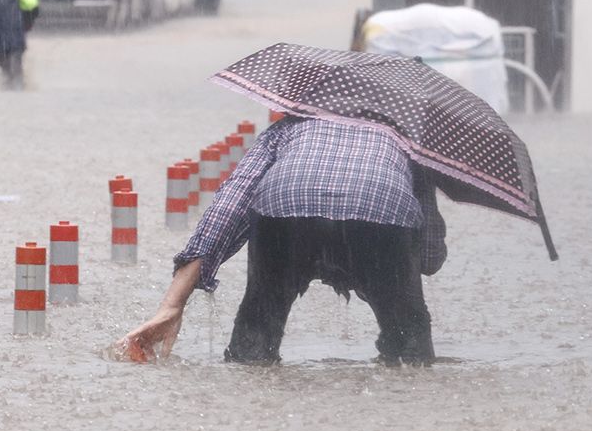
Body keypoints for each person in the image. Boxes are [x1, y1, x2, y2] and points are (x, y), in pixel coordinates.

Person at [121, 115, 447, 365]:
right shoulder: (407, 140)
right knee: (410, 349)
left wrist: (172, 303)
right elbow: (430, 256)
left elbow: (229, 207)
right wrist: (398, 277)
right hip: (379, 212)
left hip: (285, 211)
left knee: (254, 347)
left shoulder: (286, 127)